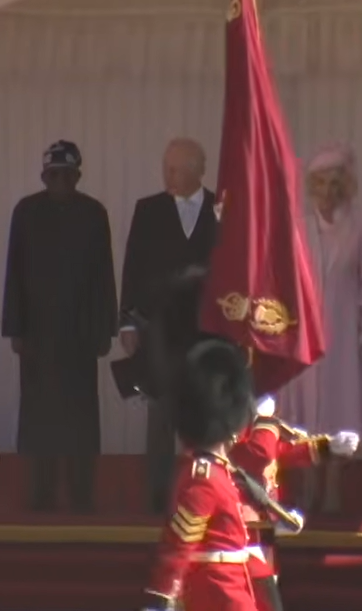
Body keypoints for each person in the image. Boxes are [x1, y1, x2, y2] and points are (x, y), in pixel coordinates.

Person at [1, 140, 118, 513]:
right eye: (53, 174)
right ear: (43, 175)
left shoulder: (94, 213)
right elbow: (14, 272)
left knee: (81, 418)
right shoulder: (26, 212)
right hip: (37, 337)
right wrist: (14, 328)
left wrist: (105, 330)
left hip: (80, 337)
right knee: (39, 419)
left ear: (78, 176)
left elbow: (104, 276)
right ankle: (41, 493)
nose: (60, 181)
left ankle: (82, 493)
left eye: (67, 174)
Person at [120, 137, 219, 513]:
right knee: (160, 414)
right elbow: (133, 268)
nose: (168, 175)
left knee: (204, 413)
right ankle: (157, 496)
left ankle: (204, 495)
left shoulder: (220, 208)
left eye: (176, 168)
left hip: (206, 329)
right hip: (160, 328)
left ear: (197, 170)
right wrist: (128, 323)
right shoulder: (148, 209)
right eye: (166, 167)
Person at [277, 142, 362, 513]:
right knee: (307, 410)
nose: (329, 193)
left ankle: (334, 487)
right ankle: (309, 486)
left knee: (341, 408)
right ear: (312, 187)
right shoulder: (299, 225)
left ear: (346, 186)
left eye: (337, 184)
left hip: (345, 327)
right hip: (306, 331)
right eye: (321, 184)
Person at [141, 338, 259, 611]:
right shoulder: (205, 479)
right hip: (219, 598)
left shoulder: (216, 473)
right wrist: (160, 598)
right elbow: (179, 544)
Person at [230, 395, 359, 611]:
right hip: (241, 534)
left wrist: (329, 446)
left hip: (263, 534)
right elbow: (260, 454)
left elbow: (285, 453)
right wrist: (266, 422)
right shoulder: (232, 438)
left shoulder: (259, 431)